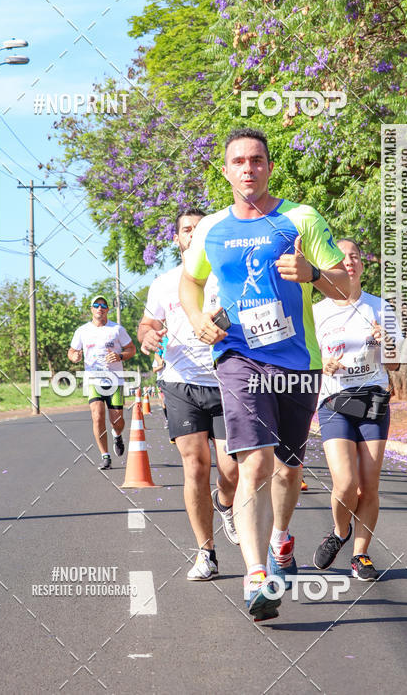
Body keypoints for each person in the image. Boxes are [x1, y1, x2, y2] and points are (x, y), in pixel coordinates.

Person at [179, 128, 349, 620]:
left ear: (269, 167)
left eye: (257, 160)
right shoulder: (212, 228)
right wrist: (195, 321)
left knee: (289, 466)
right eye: (239, 161)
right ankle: (256, 576)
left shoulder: (300, 218)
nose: (248, 168)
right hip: (238, 356)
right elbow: (190, 280)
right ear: (227, 170)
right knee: (255, 460)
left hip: (297, 360)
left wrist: (315, 275)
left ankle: (280, 536)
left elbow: (347, 287)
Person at [138, 209, 240, 582]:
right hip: (180, 382)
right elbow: (148, 324)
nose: (193, 234)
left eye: (200, 229)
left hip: (227, 379)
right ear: (177, 239)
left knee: (231, 471)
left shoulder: (226, 277)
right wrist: (148, 336)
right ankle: (206, 552)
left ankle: (225, 502)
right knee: (195, 464)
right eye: (186, 230)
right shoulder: (164, 283)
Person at [312, 238, 401, 581]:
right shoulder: (317, 311)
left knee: (369, 485)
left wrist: (386, 342)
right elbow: (305, 359)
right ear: (331, 265)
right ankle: (339, 531)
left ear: (362, 266)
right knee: (345, 483)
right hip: (335, 401)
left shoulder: (380, 307)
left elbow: (393, 365)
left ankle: (360, 555)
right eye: (341, 257)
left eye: (355, 257)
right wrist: (323, 367)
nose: (349, 261)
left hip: (374, 399)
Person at [68, 296, 136, 470]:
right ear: (91, 309)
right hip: (93, 380)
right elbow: (72, 351)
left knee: (117, 421)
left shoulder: (117, 329)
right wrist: (74, 356)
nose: (100, 308)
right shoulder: (82, 331)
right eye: (96, 305)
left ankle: (117, 434)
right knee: (97, 416)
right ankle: (105, 456)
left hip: (115, 380)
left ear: (107, 309)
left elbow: (131, 349)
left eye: (103, 305)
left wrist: (120, 356)